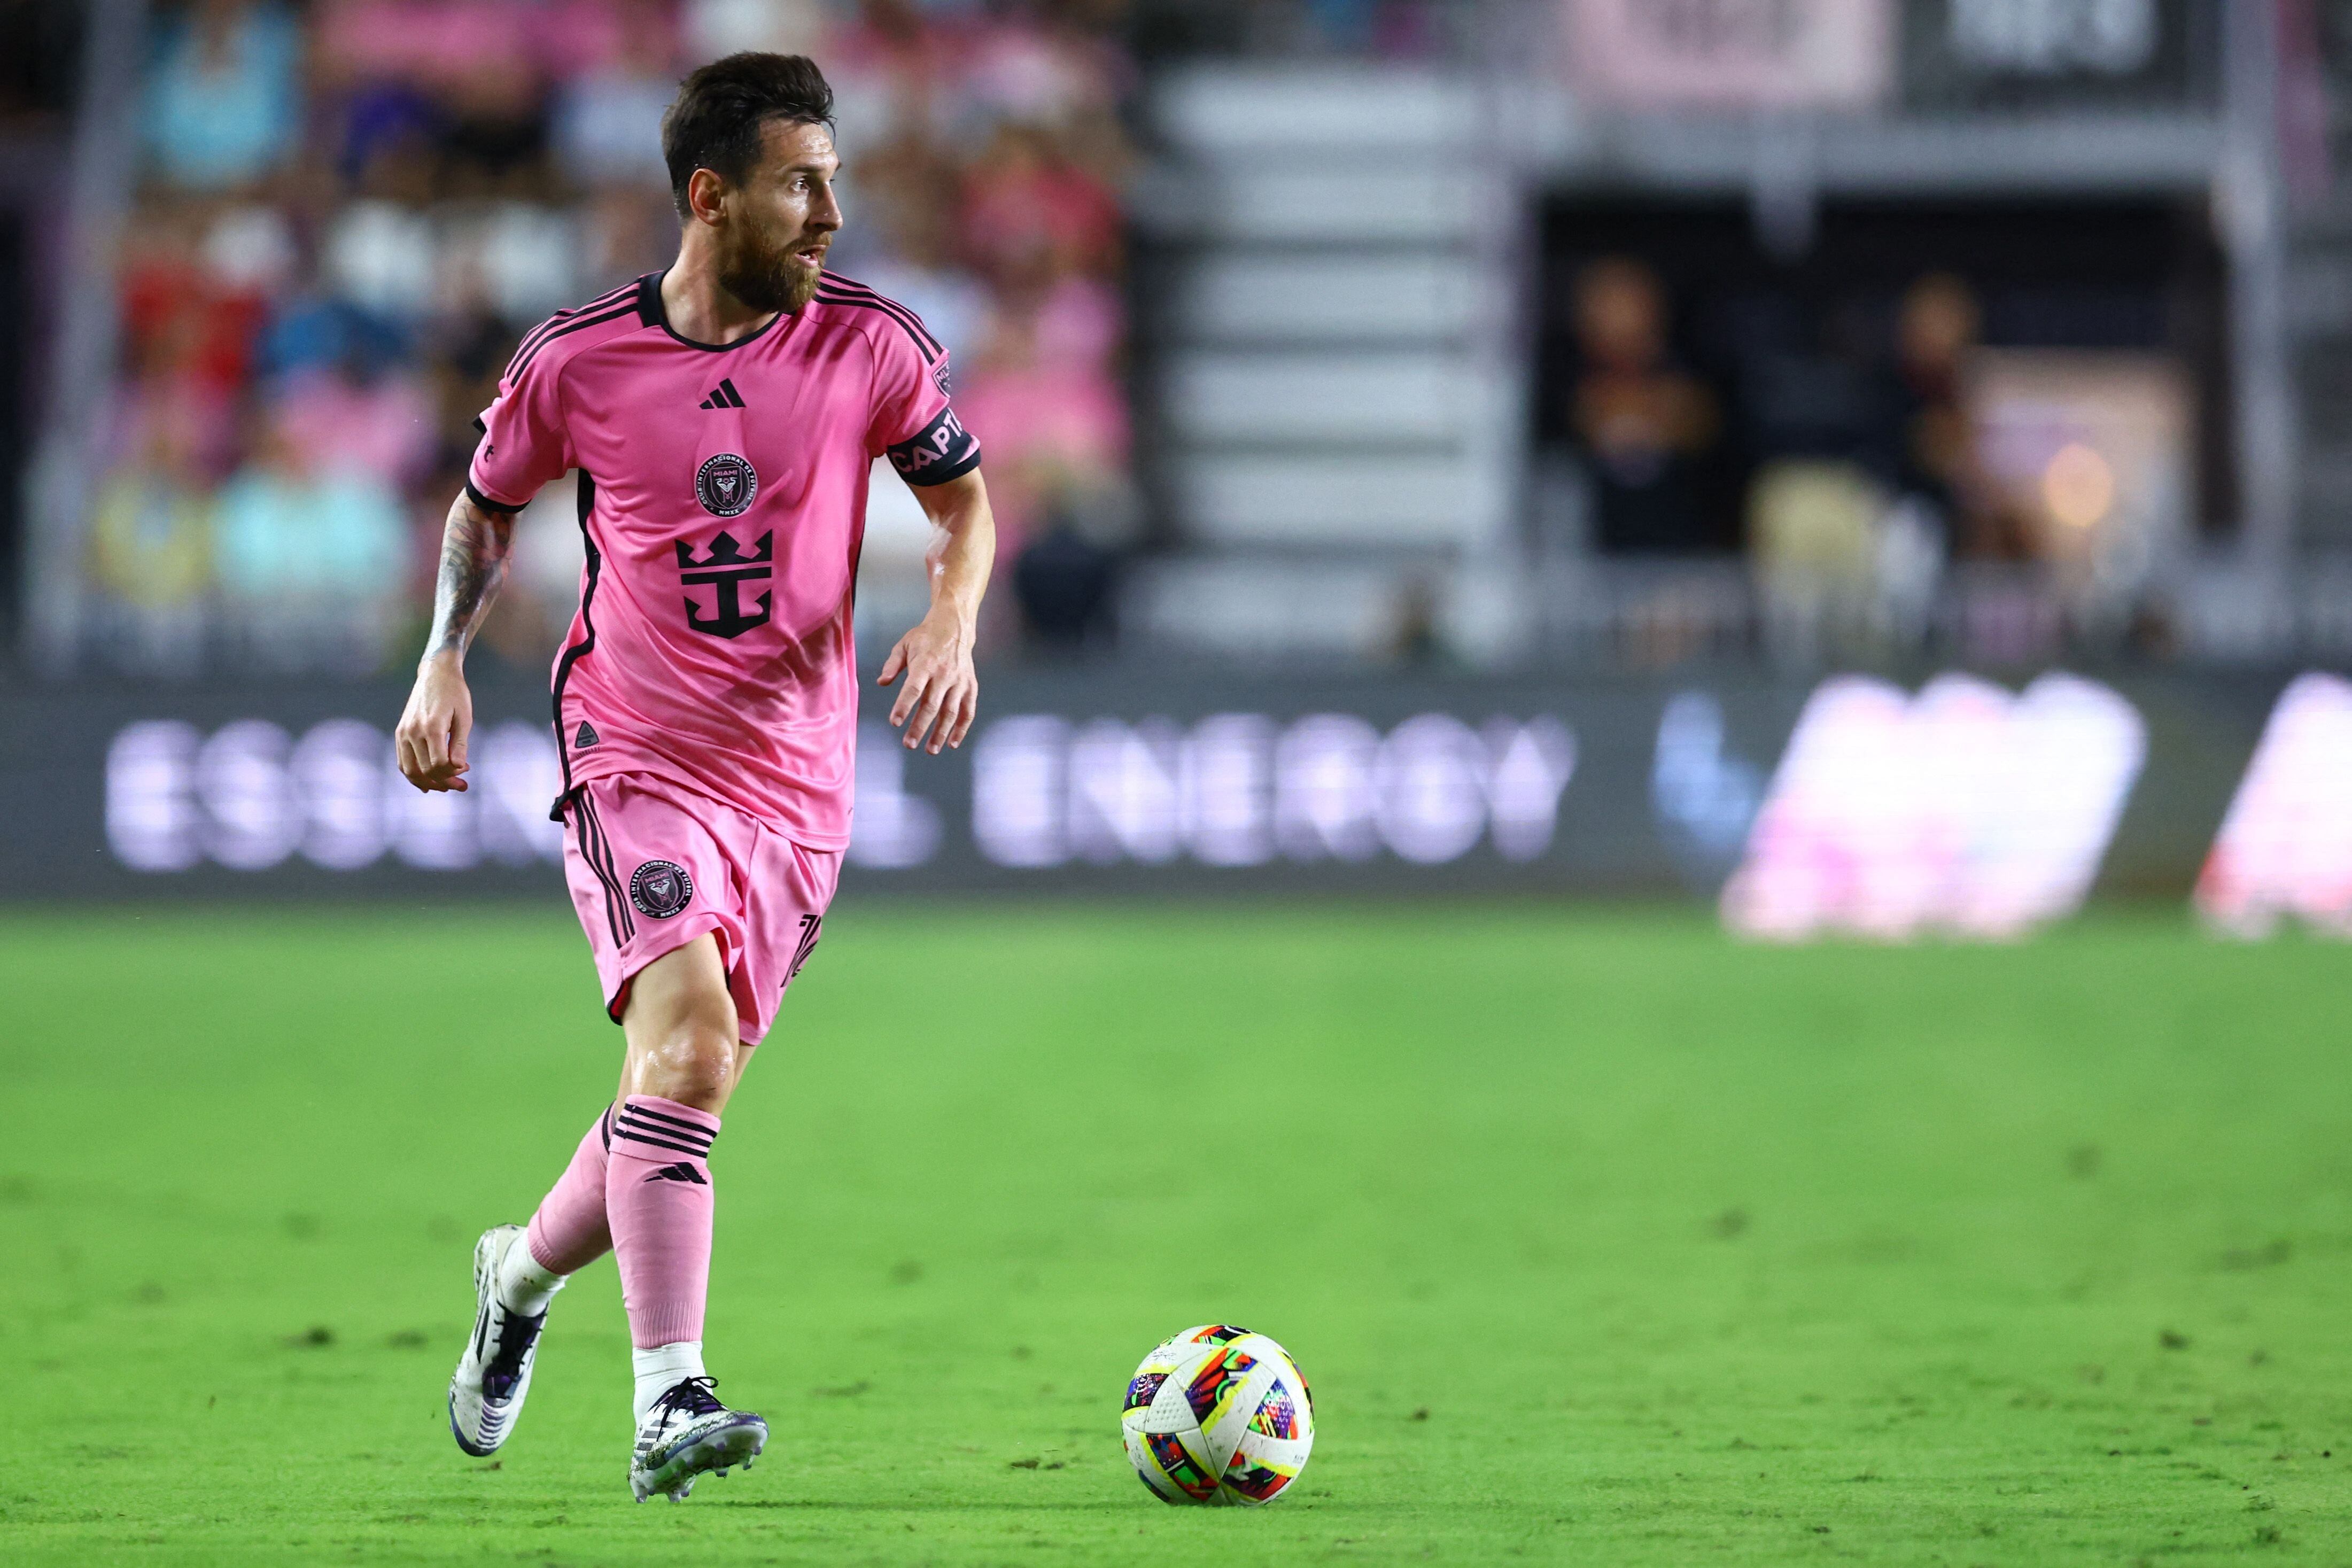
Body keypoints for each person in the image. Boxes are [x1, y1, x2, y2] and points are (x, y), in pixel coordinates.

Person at [393, 52, 993, 1503]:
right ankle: (672, 1399)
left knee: (684, 1084)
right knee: (687, 1042)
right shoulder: (577, 358)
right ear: (712, 194)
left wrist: (950, 616)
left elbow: (962, 501)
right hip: (633, 751)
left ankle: (517, 1280)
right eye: (803, 182)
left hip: (797, 786)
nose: (830, 213)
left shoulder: (872, 346)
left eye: (836, 179)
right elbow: (486, 511)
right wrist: (440, 661)